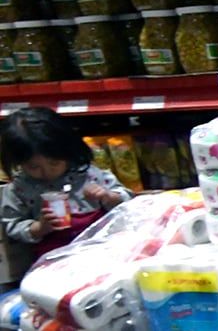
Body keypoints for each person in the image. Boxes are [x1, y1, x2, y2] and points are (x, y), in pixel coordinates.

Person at [0, 107, 130, 258]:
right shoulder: (19, 189)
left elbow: (127, 200)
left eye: (54, 163)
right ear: (18, 163)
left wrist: (109, 197)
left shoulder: (88, 173)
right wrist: (39, 227)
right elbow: (13, 224)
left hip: (102, 247)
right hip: (55, 256)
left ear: (67, 150)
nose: (47, 172)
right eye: (33, 167)